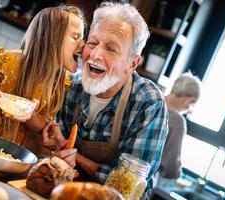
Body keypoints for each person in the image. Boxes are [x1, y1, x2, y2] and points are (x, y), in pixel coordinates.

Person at [42, 1, 168, 198]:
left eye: (111, 49)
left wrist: (79, 159)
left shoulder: (148, 103)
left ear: (132, 63)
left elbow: (128, 186)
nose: (95, 54)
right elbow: (62, 158)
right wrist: (59, 146)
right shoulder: (72, 87)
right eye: (92, 43)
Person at [0, 5, 85, 155]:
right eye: (75, 37)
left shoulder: (61, 83)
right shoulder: (10, 61)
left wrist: (28, 114)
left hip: (9, 156)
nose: (84, 45)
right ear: (49, 38)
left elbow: (42, 125)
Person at [156, 72, 202, 186]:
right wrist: (177, 172)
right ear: (187, 99)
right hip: (140, 182)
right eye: (192, 105)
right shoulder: (177, 121)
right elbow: (170, 168)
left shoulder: (153, 98)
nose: (189, 111)